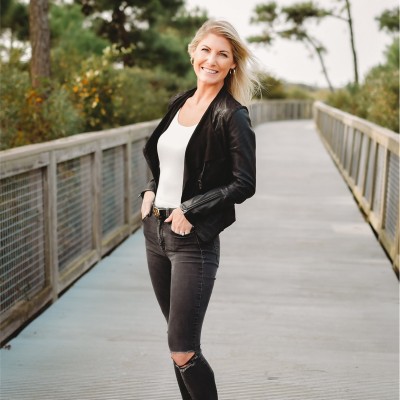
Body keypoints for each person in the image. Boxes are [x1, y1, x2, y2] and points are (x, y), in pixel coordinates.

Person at [140, 19, 260, 400]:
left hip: (192, 240)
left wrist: (191, 208)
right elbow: (169, 161)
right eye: (205, 50)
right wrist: (150, 189)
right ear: (193, 53)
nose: (212, 60)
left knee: (183, 349)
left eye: (222, 54)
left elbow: (244, 183)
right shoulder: (180, 102)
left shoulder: (232, 114)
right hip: (155, 233)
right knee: (179, 346)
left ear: (232, 64)